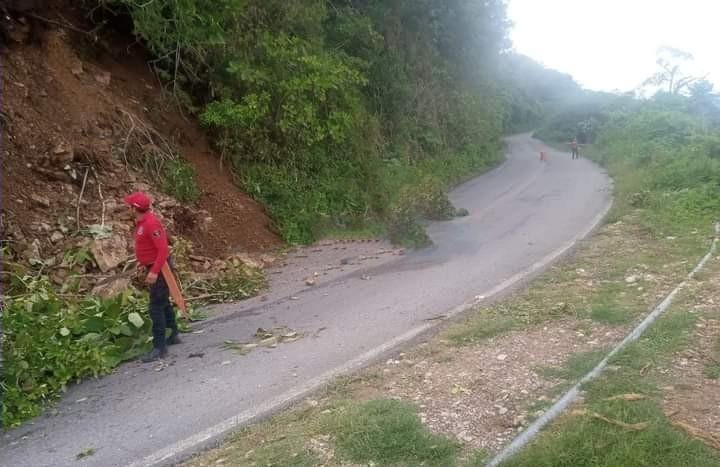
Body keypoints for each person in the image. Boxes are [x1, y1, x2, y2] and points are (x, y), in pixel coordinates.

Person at [123, 191, 180, 362]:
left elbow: (163, 249)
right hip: (153, 266)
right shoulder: (141, 223)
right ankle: (173, 334)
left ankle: (159, 347)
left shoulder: (151, 224)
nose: (128, 209)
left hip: (160, 269)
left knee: (155, 307)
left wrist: (154, 271)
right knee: (163, 302)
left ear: (135, 208)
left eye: (129, 206)